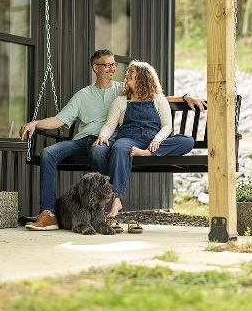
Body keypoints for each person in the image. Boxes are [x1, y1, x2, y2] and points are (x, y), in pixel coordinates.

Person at [19, 49, 205, 231]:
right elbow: (60, 119)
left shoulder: (121, 90)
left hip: (109, 143)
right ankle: (48, 214)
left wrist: (184, 97)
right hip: (85, 140)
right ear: (95, 68)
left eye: (113, 65)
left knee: (101, 151)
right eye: (107, 65)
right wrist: (36, 123)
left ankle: (98, 211)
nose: (112, 68)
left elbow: (150, 94)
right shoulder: (85, 95)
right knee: (47, 153)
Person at [93, 61, 194, 219]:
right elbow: (110, 124)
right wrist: (103, 136)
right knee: (119, 148)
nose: (128, 74)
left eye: (132, 71)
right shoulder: (121, 101)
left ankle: (147, 153)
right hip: (129, 139)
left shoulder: (158, 99)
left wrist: (157, 140)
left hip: (152, 142)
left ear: (143, 77)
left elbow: (167, 126)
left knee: (188, 141)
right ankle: (117, 199)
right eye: (128, 71)